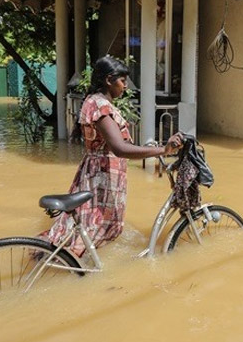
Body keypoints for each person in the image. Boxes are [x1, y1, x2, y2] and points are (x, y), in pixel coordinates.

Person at [41, 56, 183, 257]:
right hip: (102, 177)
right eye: (122, 80)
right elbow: (120, 148)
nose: (125, 86)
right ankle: (73, 269)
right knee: (94, 229)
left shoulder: (94, 102)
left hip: (98, 172)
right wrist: (164, 150)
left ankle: (79, 267)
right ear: (109, 80)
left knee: (90, 227)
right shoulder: (100, 106)